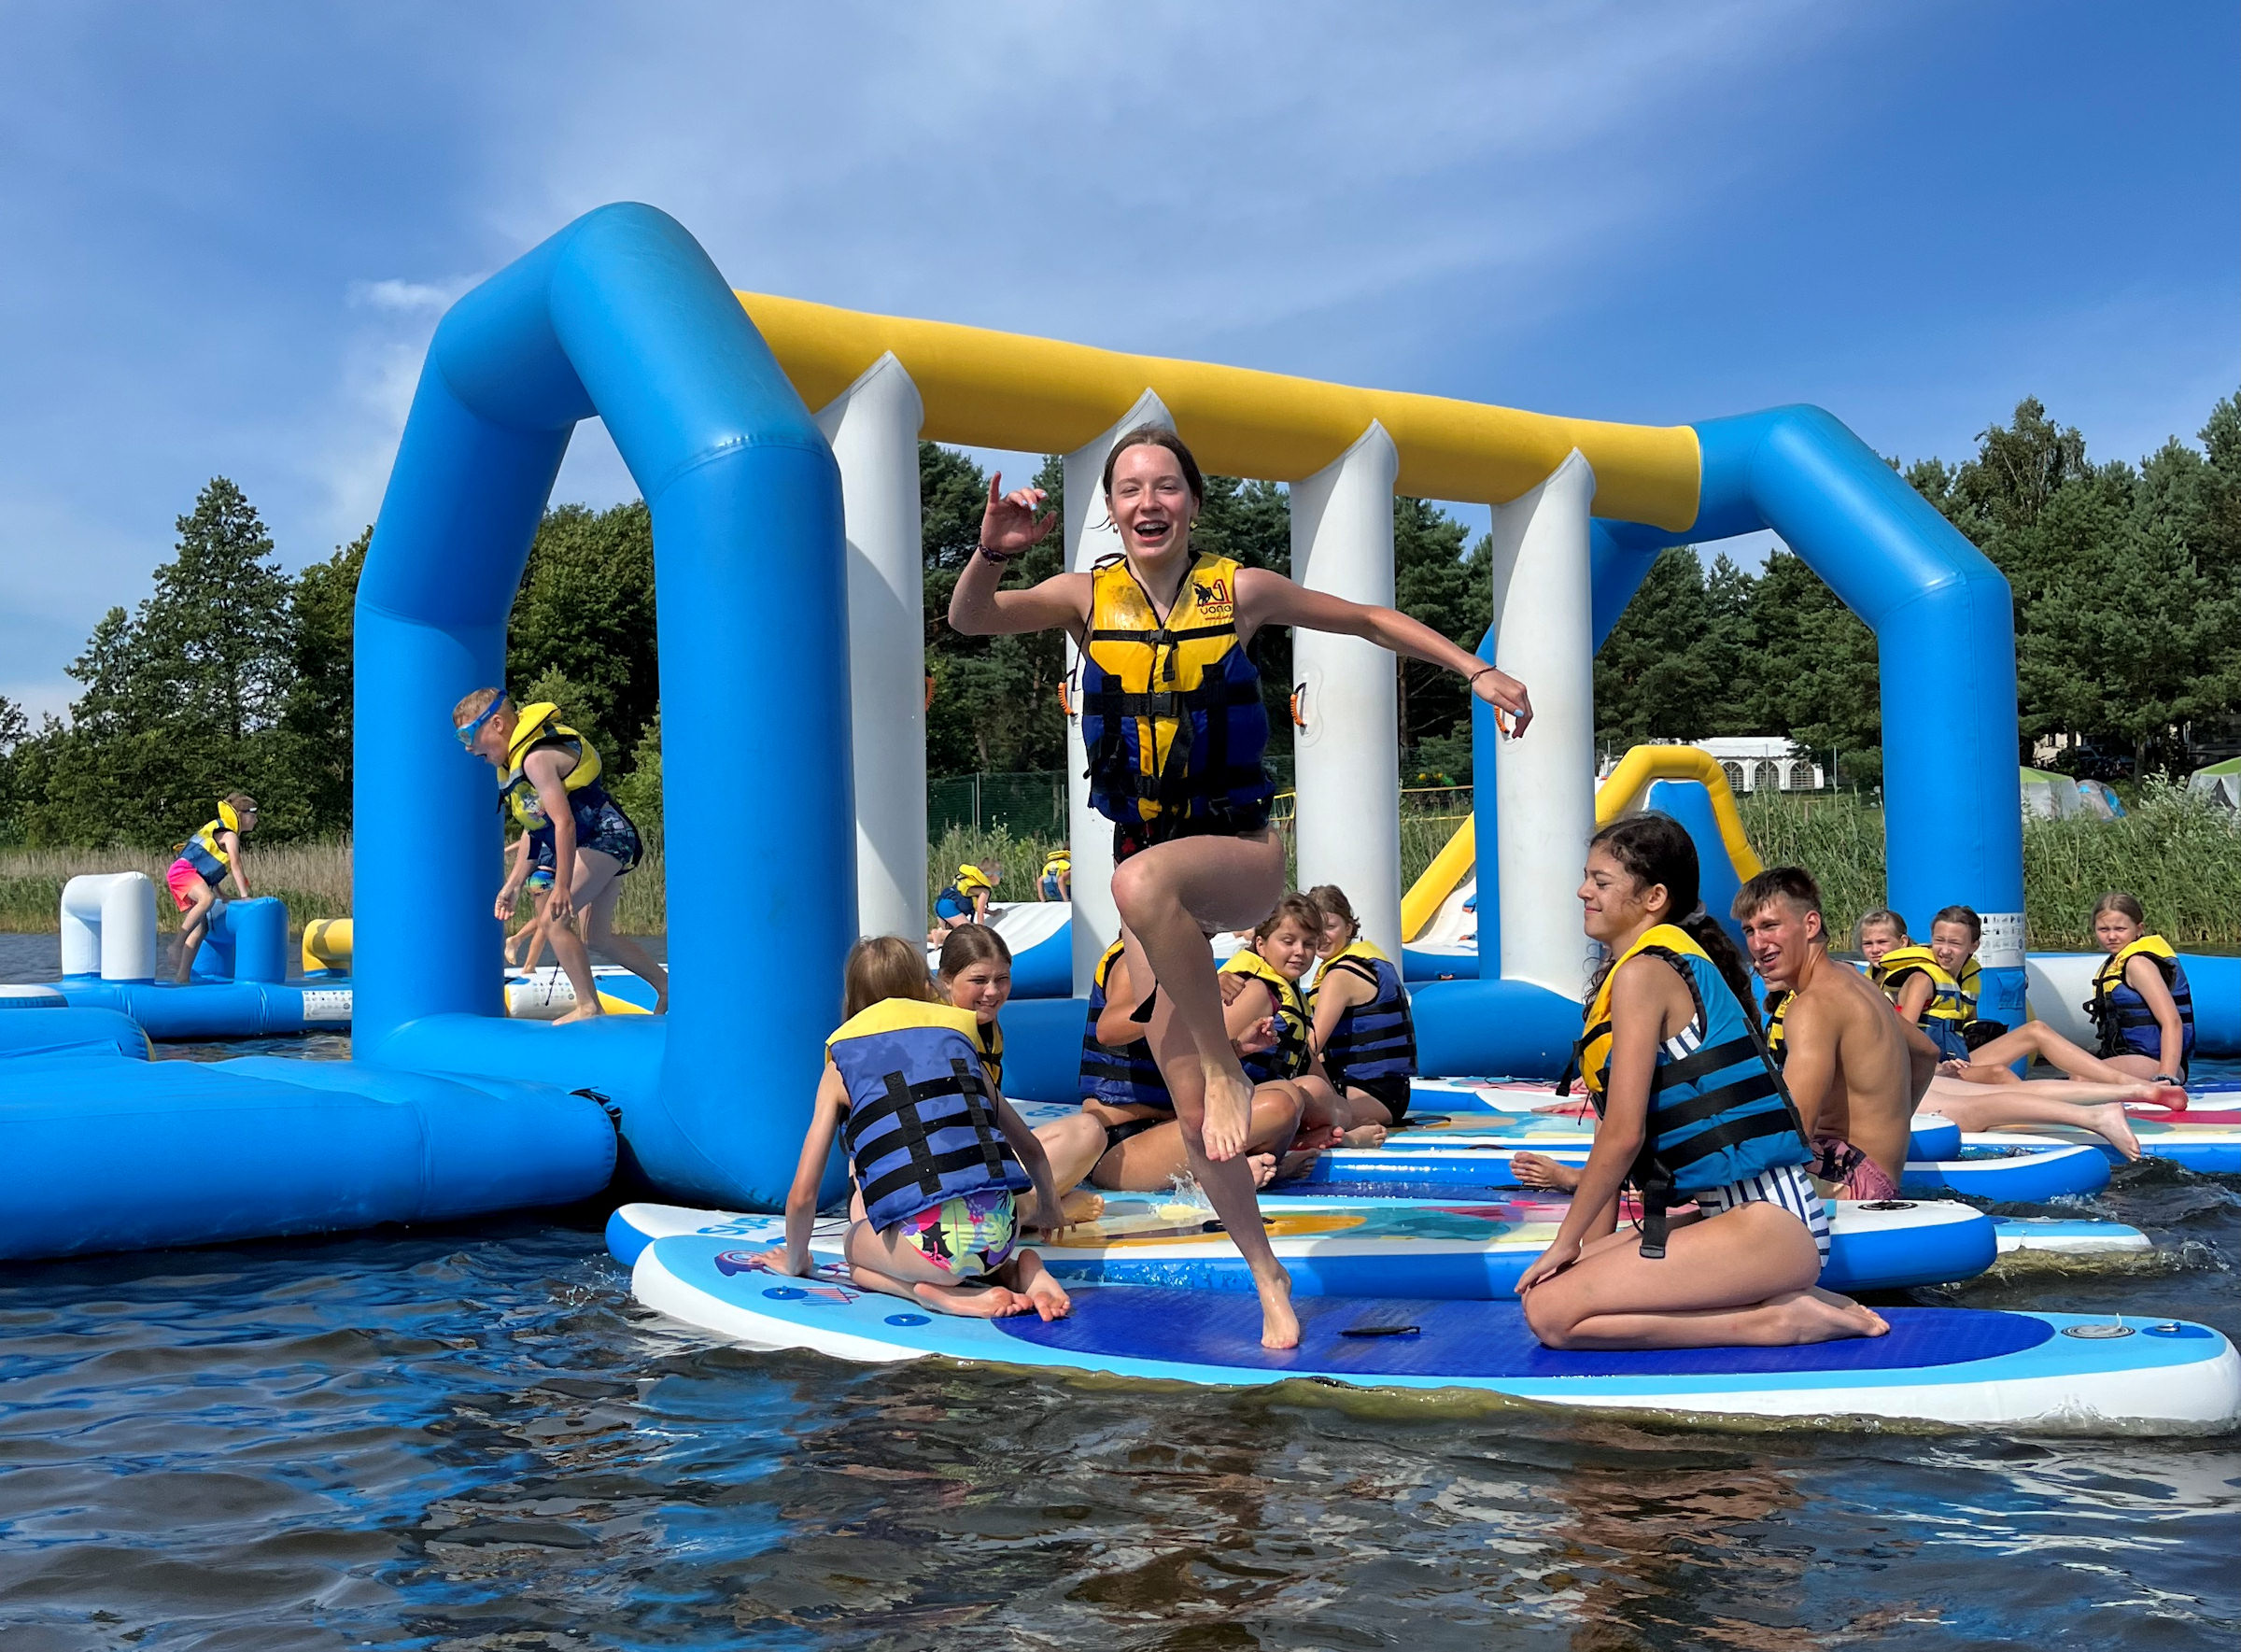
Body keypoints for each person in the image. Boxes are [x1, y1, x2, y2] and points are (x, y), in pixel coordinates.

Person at [949, 425, 1532, 1348]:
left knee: (1139, 884)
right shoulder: (1082, 596)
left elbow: (1366, 619)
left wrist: (1476, 668)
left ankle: (1227, 1063)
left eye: (1166, 486)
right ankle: (1270, 1280)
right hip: (1151, 881)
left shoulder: (1242, 590)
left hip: (1240, 856)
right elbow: (971, 619)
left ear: (1193, 501)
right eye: (1130, 488)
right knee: (1199, 1117)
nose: (1148, 502)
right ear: (1111, 509)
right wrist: (990, 551)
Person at [1513, 814, 1885, 1350]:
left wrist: (1564, 1242)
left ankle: (1778, 1322)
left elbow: (1624, 1135)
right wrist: (1579, 1255)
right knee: (1548, 1295)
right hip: (1731, 1218)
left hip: (1771, 1223)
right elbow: (1611, 1140)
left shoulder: (1646, 974)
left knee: (1551, 1315)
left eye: (1601, 881)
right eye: (1587, 878)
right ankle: (1775, 1303)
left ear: (1654, 897)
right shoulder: (1641, 971)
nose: (1583, 891)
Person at [756, 936, 1072, 1320]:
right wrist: (1049, 1210)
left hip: (933, 1251)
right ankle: (1021, 1270)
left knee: (855, 1250)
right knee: (966, 1233)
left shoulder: (841, 1068)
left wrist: (794, 1261)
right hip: (1004, 1232)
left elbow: (803, 1194)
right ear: (926, 986)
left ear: (854, 996)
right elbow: (1031, 1150)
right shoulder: (960, 1046)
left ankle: (933, 1295)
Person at [1041, 936, 1331, 1197]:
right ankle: (1224, 1177)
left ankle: (1247, 1168)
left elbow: (1179, 1062)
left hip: (1170, 1132)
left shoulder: (1176, 966)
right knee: (1279, 1106)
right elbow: (1109, 1029)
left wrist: (1238, 1047)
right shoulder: (1133, 959)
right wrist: (1189, 993)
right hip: (1120, 1145)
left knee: (1287, 1094)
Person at [455, 690, 669, 1022]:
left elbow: (564, 823)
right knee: (596, 936)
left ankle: (588, 1005)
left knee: (553, 919)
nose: (468, 748)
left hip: (606, 836)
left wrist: (563, 886)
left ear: (496, 724)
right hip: (601, 839)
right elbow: (535, 830)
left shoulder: (535, 759)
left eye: (468, 735)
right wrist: (513, 884)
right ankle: (665, 985)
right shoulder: (515, 768)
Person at [1733, 868, 1918, 1200]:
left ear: (1810, 925)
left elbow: (1791, 1133)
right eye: (1749, 930)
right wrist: (1892, 1129)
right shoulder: (1855, 980)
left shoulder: (1812, 1006)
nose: (1757, 944)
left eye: (1770, 926)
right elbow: (1926, 1053)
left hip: (1846, 1184)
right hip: (1874, 1174)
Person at [1304, 883, 1418, 1133]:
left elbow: (1310, 1047)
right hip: (1390, 1092)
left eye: (1330, 926)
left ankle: (1353, 1134)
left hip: (1369, 1093)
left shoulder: (1340, 976)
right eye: (1313, 928)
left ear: (1349, 927)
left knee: (1286, 1115)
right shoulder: (1367, 960)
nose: (1321, 936)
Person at [2082, 892, 2194, 1086]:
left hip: (2158, 1063)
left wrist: (2167, 1077)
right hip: (2128, 1056)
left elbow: (2172, 1021)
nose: (2111, 936)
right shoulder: (2115, 963)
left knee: (2082, 1077)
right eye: (2103, 929)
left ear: (2139, 929)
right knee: (2071, 1063)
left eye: (2120, 929)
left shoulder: (2138, 965)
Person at [1872, 905, 1982, 1061]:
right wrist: (1938, 1068)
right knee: (1997, 1072)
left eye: (1955, 943)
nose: (1945, 950)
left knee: (2023, 1036)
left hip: (1957, 1060)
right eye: (1939, 941)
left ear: (1973, 946)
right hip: (1924, 1067)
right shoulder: (1922, 980)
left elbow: (1969, 1029)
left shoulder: (1970, 981)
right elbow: (1902, 1039)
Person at [167, 794, 257, 982]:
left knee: (201, 928)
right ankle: (176, 945)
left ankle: (182, 977)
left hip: (188, 874)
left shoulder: (226, 834)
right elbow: (236, 865)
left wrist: (221, 894)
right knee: (207, 899)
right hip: (182, 871)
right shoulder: (230, 836)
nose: (256, 820)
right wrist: (244, 895)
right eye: (253, 815)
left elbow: (207, 869)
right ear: (241, 815)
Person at [930, 861, 1000, 942]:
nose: (1001, 877)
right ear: (991, 876)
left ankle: (927, 937)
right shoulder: (984, 891)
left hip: (940, 904)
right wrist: (981, 931)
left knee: (950, 940)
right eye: (999, 874)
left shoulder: (969, 882)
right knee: (970, 934)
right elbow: (980, 912)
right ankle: (939, 934)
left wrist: (991, 913)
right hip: (948, 908)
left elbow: (976, 906)